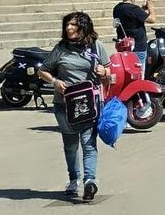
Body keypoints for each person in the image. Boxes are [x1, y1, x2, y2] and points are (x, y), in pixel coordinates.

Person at [37, 12, 112, 201]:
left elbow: (110, 70)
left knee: (88, 143)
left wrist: (104, 71)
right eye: (67, 25)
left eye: (73, 25)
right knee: (70, 146)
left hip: (89, 104)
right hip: (64, 105)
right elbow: (42, 71)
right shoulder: (61, 48)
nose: (68, 28)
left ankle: (89, 181)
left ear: (83, 27)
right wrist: (55, 82)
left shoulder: (96, 46)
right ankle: (73, 180)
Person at [112, 0, 156, 65]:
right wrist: (151, 7)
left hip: (124, 46)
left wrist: (142, 9)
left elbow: (131, 18)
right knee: (138, 73)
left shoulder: (117, 8)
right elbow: (152, 19)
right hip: (137, 47)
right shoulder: (133, 9)